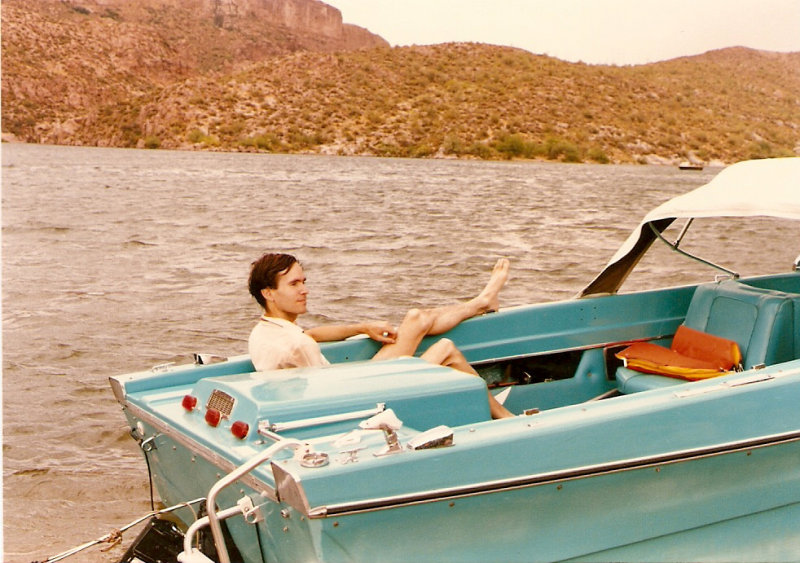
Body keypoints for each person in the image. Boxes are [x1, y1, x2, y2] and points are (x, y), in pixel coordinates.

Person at [247, 253, 514, 419]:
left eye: (304, 282)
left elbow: (310, 334)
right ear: (268, 293)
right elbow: (327, 402)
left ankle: (482, 301)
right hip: (363, 397)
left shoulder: (265, 331)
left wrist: (363, 327)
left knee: (416, 318)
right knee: (446, 349)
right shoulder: (297, 345)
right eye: (294, 284)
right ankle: (504, 416)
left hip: (354, 383)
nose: (304, 290)